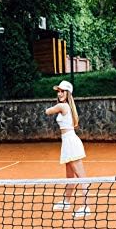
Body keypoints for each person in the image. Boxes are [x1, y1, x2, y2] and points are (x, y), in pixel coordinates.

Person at [45, 80, 90, 218]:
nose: (59, 94)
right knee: (70, 177)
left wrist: (52, 108)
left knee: (81, 177)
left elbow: (47, 111)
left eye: (62, 91)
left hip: (71, 143)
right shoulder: (65, 106)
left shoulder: (63, 106)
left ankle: (86, 207)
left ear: (68, 93)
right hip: (67, 142)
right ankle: (66, 202)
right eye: (58, 91)